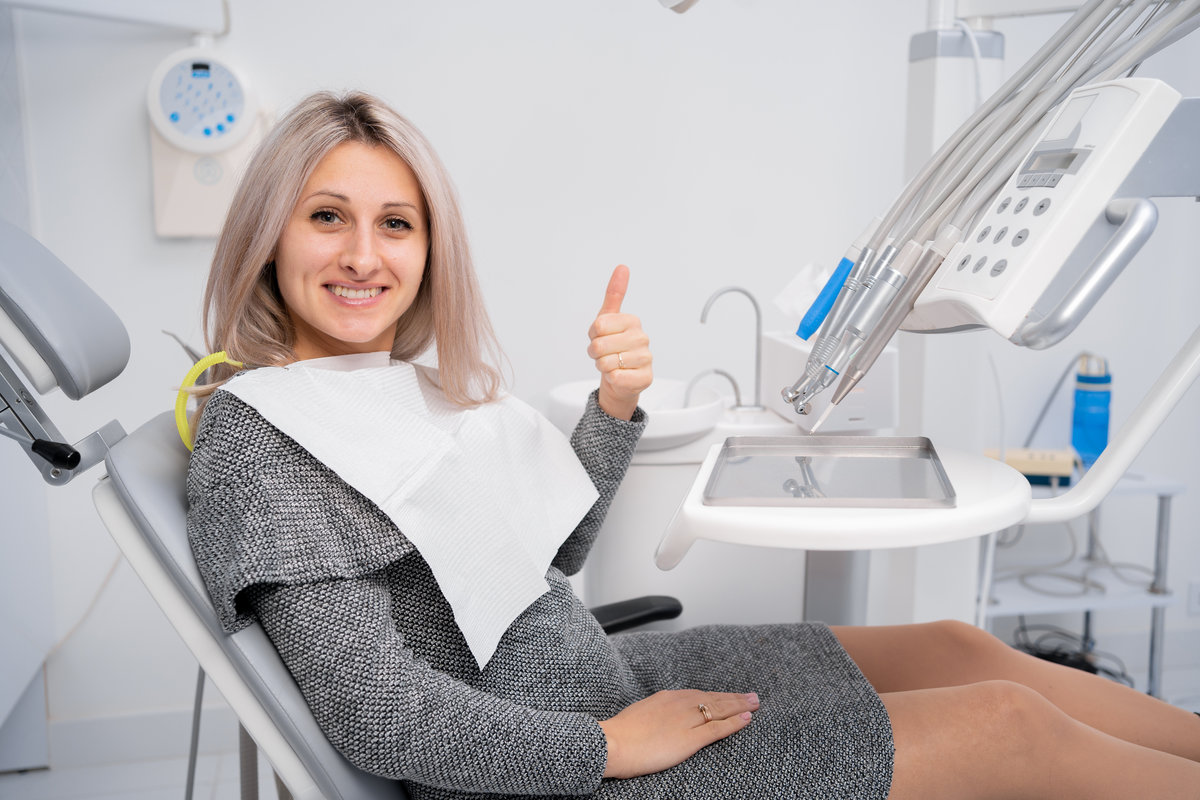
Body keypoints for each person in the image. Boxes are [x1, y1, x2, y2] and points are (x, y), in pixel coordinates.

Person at [185, 90, 1200, 800]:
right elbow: (381, 711)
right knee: (1005, 725)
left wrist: (617, 405)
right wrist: (608, 746)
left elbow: (549, 548)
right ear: (272, 236)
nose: (365, 254)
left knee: (955, 646)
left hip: (606, 690)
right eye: (329, 217)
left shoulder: (383, 388)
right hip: (556, 770)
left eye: (395, 224)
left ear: (429, 247)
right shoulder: (267, 437)